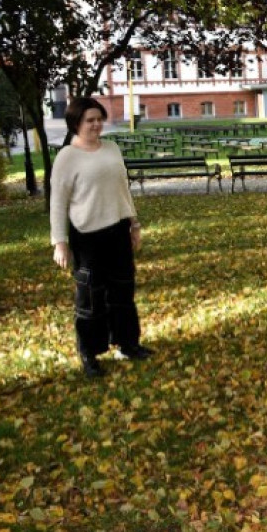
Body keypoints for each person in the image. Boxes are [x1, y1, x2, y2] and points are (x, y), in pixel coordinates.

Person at [50, 96, 153, 378]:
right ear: (75, 124)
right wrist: (60, 242)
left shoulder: (112, 149)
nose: (96, 125)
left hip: (118, 230)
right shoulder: (67, 157)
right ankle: (90, 354)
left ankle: (127, 344)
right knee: (91, 297)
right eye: (90, 120)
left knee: (122, 291)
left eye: (99, 119)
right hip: (87, 236)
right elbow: (58, 202)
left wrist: (134, 224)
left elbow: (123, 190)